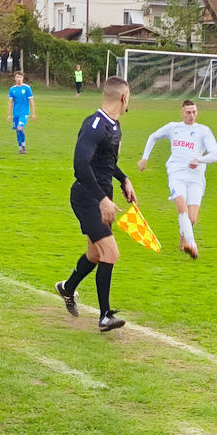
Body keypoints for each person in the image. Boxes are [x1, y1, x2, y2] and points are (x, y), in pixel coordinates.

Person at [55, 76, 137, 332]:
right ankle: (104, 317)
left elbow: (105, 163)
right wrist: (102, 199)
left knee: (94, 255)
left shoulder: (114, 125)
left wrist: (123, 179)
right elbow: (80, 166)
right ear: (123, 98)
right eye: (129, 98)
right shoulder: (95, 125)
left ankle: (67, 288)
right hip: (87, 197)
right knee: (111, 253)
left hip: (102, 196)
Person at [137, 99, 217, 258]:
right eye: (188, 112)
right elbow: (153, 136)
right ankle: (192, 245)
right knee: (182, 207)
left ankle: (183, 239)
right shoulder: (173, 127)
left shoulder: (203, 131)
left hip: (196, 177)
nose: (192, 115)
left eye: (194, 112)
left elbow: (214, 155)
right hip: (176, 173)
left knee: (192, 218)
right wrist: (144, 158)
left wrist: (200, 160)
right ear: (182, 113)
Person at [6, 71, 36, 154]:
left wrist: (33, 113)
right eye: (17, 77)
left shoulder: (27, 88)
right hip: (16, 113)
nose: (18, 79)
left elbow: (31, 101)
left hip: (24, 113)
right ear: (15, 79)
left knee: (20, 128)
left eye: (20, 77)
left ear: (23, 78)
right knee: (17, 130)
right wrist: (9, 114)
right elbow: (10, 102)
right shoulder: (12, 89)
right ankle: (20, 147)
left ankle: (23, 146)